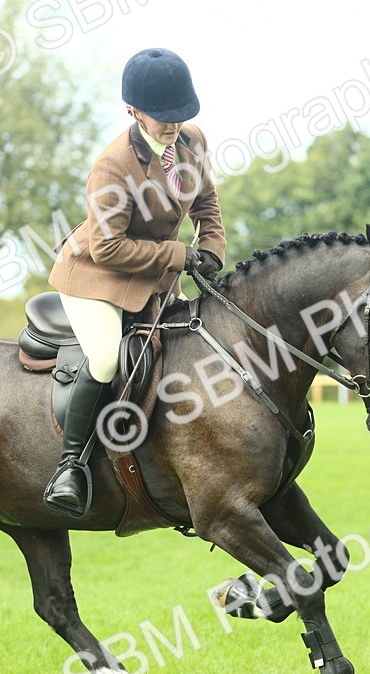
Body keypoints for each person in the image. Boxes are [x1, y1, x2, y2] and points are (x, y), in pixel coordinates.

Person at [43, 47, 226, 517]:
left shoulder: (193, 141)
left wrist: (212, 250)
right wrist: (181, 255)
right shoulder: (114, 165)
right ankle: (71, 466)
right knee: (105, 358)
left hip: (158, 278)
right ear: (133, 110)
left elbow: (206, 202)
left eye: (180, 116)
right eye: (163, 117)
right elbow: (108, 248)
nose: (173, 125)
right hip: (96, 276)